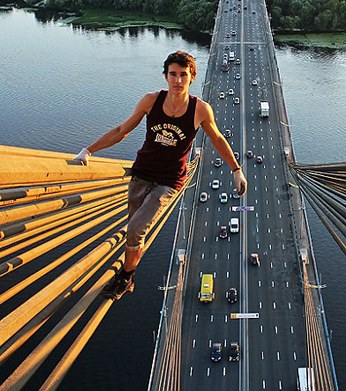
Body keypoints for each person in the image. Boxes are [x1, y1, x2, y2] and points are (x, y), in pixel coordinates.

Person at [72, 51, 247, 300]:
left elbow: (217, 139)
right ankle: (129, 273)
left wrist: (236, 170)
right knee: (134, 234)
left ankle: (126, 275)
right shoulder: (150, 101)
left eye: (183, 75)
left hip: (169, 181)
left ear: (192, 78)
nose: (178, 80)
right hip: (141, 174)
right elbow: (122, 130)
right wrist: (88, 150)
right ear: (166, 76)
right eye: (173, 74)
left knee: (134, 230)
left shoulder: (200, 110)